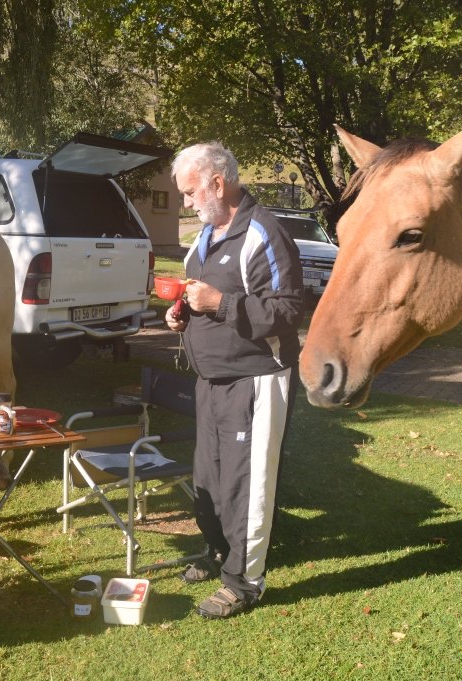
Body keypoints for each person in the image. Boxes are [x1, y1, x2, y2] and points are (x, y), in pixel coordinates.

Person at [166, 142, 304, 619]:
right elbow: (198, 297)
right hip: (210, 381)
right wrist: (181, 313)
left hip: (256, 380)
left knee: (246, 483)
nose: (185, 202)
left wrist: (219, 305)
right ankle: (220, 552)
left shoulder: (263, 234)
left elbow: (287, 310)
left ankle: (244, 582)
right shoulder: (203, 239)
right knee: (208, 478)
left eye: (189, 192)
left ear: (217, 183)